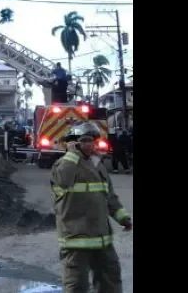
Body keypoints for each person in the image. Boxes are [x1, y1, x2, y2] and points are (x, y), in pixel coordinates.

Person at [51, 122, 132, 293]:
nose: (90, 145)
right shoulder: (63, 165)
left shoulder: (98, 166)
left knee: (110, 281)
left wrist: (123, 218)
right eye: (85, 140)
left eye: (92, 141)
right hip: (75, 238)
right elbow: (63, 181)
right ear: (74, 143)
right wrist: (71, 155)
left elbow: (110, 197)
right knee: (77, 285)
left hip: (102, 238)